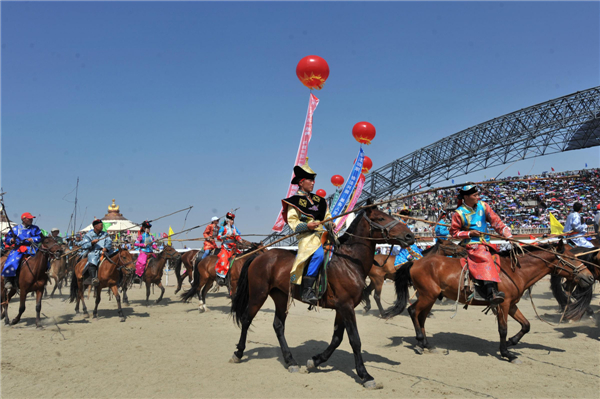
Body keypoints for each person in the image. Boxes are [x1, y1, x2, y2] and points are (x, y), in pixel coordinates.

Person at [450, 185, 512, 305]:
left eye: (478, 195)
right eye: (475, 195)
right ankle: (491, 292)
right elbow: (454, 233)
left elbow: (496, 222)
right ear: (466, 197)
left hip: (486, 243)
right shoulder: (459, 213)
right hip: (471, 245)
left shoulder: (484, 206)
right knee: (484, 257)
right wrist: (469, 233)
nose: (478, 197)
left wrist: (509, 236)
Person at [281, 158, 332, 305]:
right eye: (310, 180)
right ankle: (307, 290)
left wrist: (330, 223)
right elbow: (293, 222)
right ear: (301, 182)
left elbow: (327, 216)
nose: (313, 183)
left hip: (324, 234)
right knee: (318, 254)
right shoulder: (293, 201)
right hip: (307, 237)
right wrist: (307, 226)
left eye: (314, 180)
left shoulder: (320, 201)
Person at [2, 212, 43, 290]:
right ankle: (9, 280)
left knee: (44, 260)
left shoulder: (35, 228)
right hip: (19, 249)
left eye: (31, 218)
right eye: (29, 218)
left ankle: (44, 276)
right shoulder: (15, 229)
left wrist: (33, 239)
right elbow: (7, 239)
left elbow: (41, 237)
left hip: (32, 248)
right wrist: (12, 240)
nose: (31, 220)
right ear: (23, 219)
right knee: (11, 261)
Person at [79, 219, 113, 286]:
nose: (102, 227)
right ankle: (93, 278)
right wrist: (91, 242)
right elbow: (84, 245)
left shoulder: (105, 234)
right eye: (101, 225)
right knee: (92, 258)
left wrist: (106, 248)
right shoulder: (88, 235)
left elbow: (109, 241)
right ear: (95, 226)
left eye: (102, 225)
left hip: (105, 251)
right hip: (94, 251)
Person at [215, 213, 242, 285]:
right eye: (230, 220)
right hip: (226, 247)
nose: (232, 221)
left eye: (232, 220)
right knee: (223, 259)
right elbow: (218, 237)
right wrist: (225, 236)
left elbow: (237, 236)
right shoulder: (222, 228)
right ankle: (221, 277)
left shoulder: (234, 229)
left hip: (233, 247)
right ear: (227, 221)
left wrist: (240, 239)